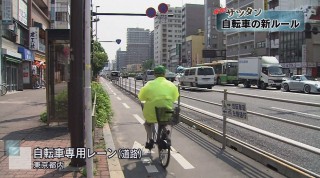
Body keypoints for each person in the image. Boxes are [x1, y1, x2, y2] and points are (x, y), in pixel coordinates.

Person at [138, 65, 179, 149]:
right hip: (166, 112)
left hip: (152, 113)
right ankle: (165, 132)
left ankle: (150, 140)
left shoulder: (149, 84)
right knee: (163, 120)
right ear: (164, 74)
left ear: (154, 75)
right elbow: (175, 97)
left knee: (147, 124)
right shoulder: (171, 85)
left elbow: (141, 97)